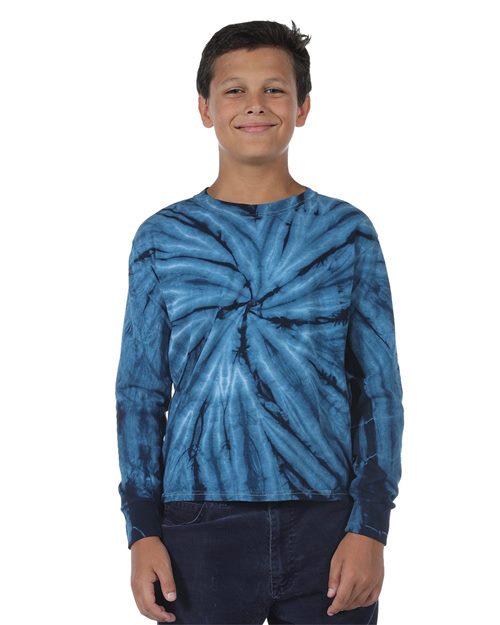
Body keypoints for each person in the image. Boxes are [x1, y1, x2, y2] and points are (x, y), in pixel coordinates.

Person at [115, 19, 404, 625]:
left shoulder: (346, 232)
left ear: (302, 107)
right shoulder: (163, 238)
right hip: (197, 525)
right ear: (205, 108)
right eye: (234, 90)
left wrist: (370, 526)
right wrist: (142, 531)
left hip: (329, 522)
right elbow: (140, 392)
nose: (255, 105)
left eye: (274, 89)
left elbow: (377, 389)